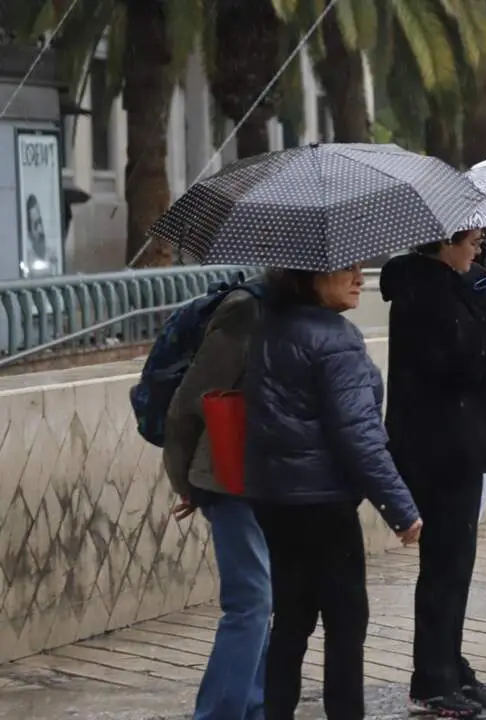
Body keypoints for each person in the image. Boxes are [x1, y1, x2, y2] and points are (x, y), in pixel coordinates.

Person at [244, 264, 424, 720]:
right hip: (324, 502)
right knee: (345, 623)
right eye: (344, 271)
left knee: (291, 619)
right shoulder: (335, 338)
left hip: (274, 497)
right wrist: (400, 508)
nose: (358, 278)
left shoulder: (269, 328)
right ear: (309, 278)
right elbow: (358, 434)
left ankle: (275, 712)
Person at [380, 230, 486, 718]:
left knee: (455, 565)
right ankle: (434, 679)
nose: (478, 251)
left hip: (460, 446)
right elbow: (469, 359)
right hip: (439, 449)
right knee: (443, 567)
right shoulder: (426, 291)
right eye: (473, 242)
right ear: (446, 243)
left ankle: (450, 664)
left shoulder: (452, 283)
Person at [163, 284, 270, 720]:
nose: (357, 277)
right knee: (252, 600)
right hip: (230, 478)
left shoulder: (308, 315)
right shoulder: (248, 310)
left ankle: (253, 708)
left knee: (268, 600)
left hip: (277, 482)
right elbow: (190, 404)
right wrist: (185, 479)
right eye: (348, 269)